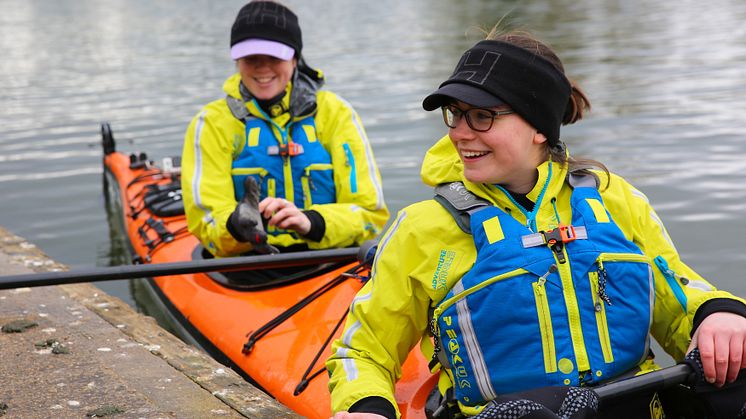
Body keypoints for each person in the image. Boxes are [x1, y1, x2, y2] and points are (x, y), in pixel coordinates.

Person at [326, 27, 746, 419]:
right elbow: (361, 353)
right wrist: (367, 405)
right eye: (456, 114)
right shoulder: (421, 228)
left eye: (482, 117)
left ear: (538, 128)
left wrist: (717, 314)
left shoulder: (614, 198)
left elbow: (679, 297)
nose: (460, 134)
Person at [181, 0, 388, 258]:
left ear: (295, 59)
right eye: (250, 57)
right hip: (245, 266)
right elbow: (207, 222)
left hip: (328, 261)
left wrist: (311, 222)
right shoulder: (210, 122)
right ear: (237, 60)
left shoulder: (337, 113)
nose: (262, 66)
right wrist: (238, 224)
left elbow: (369, 213)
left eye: (274, 56)